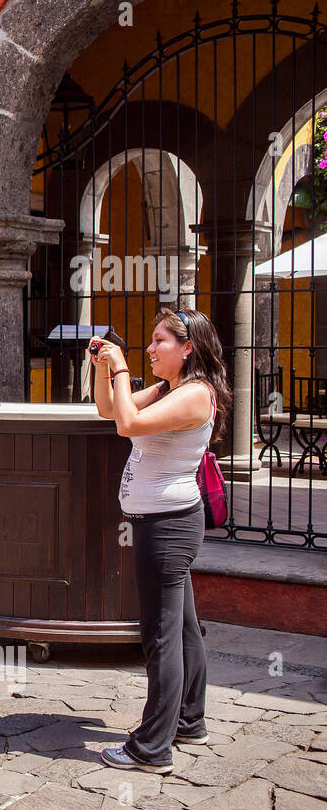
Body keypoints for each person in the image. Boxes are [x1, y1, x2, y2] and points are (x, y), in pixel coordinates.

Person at [89, 307, 231, 774]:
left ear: (187, 348)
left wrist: (124, 366)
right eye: (148, 343)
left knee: (162, 635)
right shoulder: (171, 389)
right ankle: (189, 720)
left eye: (159, 341)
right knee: (185, 627)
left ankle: (152, 748)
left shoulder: (194, 396)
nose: (150, 349)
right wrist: (102, 368)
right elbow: (110, 410)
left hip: (167, 527)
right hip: (164, 522)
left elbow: (128, 425)